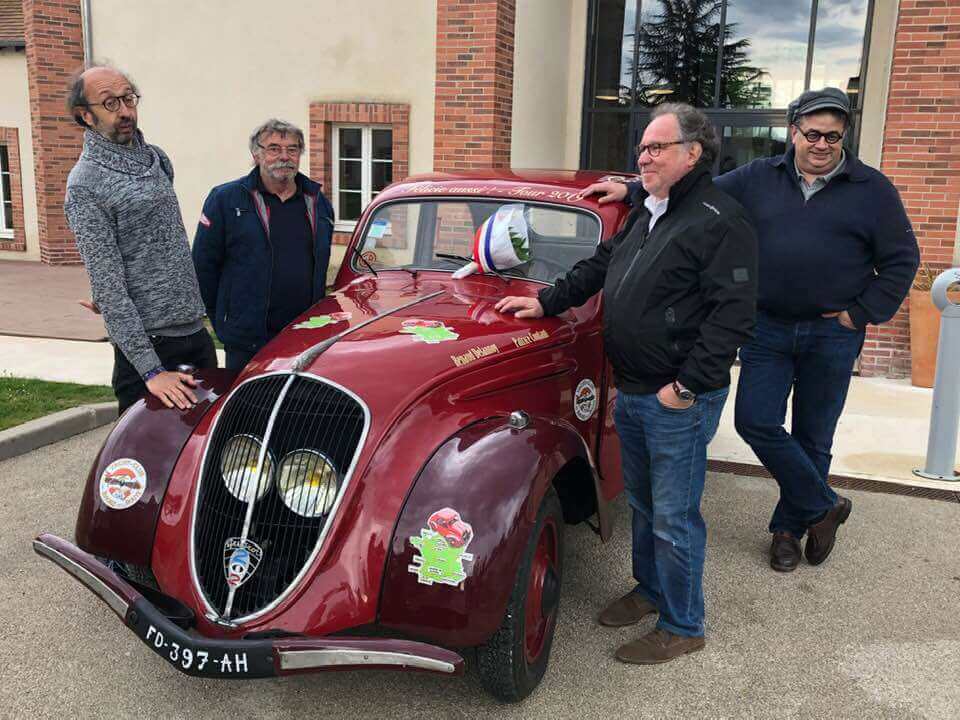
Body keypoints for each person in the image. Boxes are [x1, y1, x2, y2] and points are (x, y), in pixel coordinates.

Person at [583, 88, 919, 573]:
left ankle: (789, 529)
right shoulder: (760, 178)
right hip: (767, 328)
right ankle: (824, 504)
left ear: (844, 137)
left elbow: (902, 260)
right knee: (756, 422)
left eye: (833, 135)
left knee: (814, 433)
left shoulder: (873, 190)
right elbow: (698, 188)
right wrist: (635, 190)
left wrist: (860, 313)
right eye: (812, 133)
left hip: (833, 334)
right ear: (793, 132)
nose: (822, 144)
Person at [496, 103, 757, 664]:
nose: (644, 155)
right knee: (643, 503)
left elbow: (733, 316)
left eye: (657, 147)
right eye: (641, 147)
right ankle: (651, 589)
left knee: (674, 514)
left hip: (676, 398)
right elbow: (598, 266)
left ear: (692, 154)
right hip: (635, 390)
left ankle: (684, 625)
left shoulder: (719, 219)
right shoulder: (651, 210)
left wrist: (686, 387)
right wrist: (544, 300)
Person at [65, 65, 215, 414]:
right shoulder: (85, 185)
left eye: (129, 98)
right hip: (150, 351)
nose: (125, 111)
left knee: (210, 450)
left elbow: (153, 243)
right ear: (85, 115)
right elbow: (108, 284)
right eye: (110, 103)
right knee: (149, 461)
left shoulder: (157, 158)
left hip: (194, 333)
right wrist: (151, 370)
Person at [192, 119, 334, 371]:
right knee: (248, 407)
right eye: (274, 148)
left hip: (302, 335)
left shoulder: (317, 202)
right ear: (256, 154)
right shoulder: (226, 199)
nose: (284, 156)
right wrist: (222, 322)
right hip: (247, 339)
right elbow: (203, 266)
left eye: (292, 149)